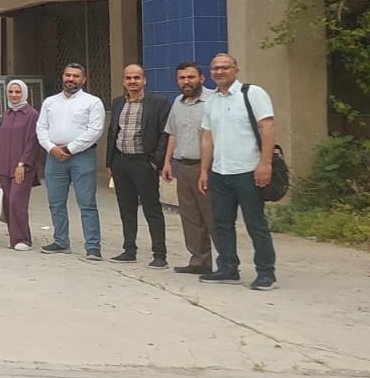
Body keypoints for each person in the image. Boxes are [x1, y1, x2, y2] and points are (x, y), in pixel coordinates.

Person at [199, 54, 279, 290]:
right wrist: (204, 170)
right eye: (215, 68)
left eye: (225, 67)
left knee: (255, 224)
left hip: (248, 171)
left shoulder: (252, 94)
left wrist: (265, 164)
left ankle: (266, 273)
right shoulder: (211, 101)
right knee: (222, 223)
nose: (220, 72)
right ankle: (227, 268)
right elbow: (207, 137)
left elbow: (267, 128)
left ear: (236, 70)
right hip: (220, 172)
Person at [36, 63, 106, 258]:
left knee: (87, 203)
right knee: (56, 202)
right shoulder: (50, 102)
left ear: (83, 80)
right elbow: (41, 128)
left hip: (82, 156)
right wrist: (51, 148)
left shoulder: (93, 102)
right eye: (68, 75)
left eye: (76, 76)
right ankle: (61, 241)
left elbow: (95, 131)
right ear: (63, 77)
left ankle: (93, 246)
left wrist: (69, 148)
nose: (71, 79)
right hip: (54, 156)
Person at [106, 64, 172, 266]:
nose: (132, 81)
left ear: (144, 80)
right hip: (121, 162)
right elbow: (113, 132)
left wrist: (155, 163)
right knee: (126, 209)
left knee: (152, 209)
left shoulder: (158, 103)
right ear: (124, 81)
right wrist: (110, 162)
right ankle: (129, 250)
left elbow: (165, 134)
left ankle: (159, 255)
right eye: (128, 78)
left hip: (144, 163)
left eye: (136, 78)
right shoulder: (118, 102)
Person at [162, 61, 216, 274]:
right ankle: (199, 261)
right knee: (190, 217)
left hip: (207, 168)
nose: (186, 82)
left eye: (191, 77)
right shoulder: (178, 102)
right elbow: (173, 133)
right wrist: (167, 162)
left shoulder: (214, 100)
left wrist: (206, 170)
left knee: (213, 216)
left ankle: (227, 263)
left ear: (202, 78)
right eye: (182, 78)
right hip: (183, 167)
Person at [0, 79, 40, 252]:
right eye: (11, 92)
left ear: (24, 93)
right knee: (7, 202)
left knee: (17, 202)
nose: (14, 95)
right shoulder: (7, 114)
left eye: (17, 92)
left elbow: (33, 141)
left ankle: (23, 239)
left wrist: (23, 163)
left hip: (22, 166)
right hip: (4, 165)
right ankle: (14, 238)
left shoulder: (32, 114)